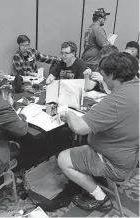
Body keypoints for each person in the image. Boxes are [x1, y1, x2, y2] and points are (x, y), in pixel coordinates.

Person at [54, 52, 139, 211]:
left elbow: (79, 128)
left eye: (104, 76)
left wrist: (69, 113)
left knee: (63, 159)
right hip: (130, 153)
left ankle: (101, 198)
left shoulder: (116, 100)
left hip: (113, 161)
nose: (104, 80)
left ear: (114, 75)